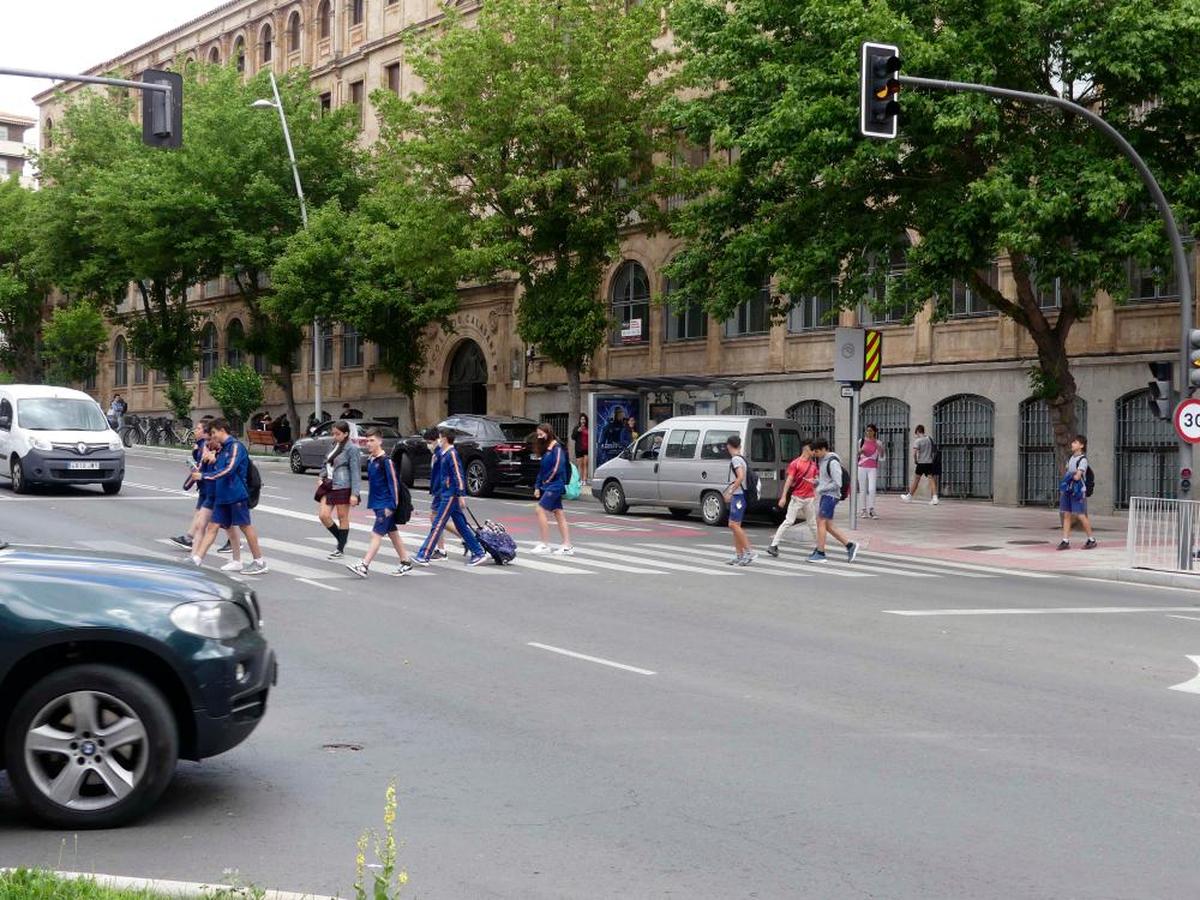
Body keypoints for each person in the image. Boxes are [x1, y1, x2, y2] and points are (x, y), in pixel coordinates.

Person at [191, 419, 269, 575]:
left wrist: (204, 476)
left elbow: (229, 469)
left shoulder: (235, 447)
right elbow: (218, 468)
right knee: (213, 527)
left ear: (221, 430)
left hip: (235, 495)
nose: (212, 436)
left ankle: (259, 561)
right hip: (222, 495)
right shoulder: (223, 449)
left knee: (245, 526)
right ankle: (197, 560)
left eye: (213, 433)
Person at [346, 427, 414, 577]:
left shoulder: (386, 461)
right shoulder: (372, 460)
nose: (368, 444)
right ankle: (406, 562)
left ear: (380, 441)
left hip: (386, 505)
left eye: (372, 441)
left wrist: (392, 506)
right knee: (393, 533)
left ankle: (364, 565)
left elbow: (394, 485)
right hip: (377, 504)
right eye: (367, 441)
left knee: (376, 535)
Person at [415, 427, 487, 566]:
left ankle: (424, 555)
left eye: (440, 437)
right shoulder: (445, 454)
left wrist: (460, 494)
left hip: (451, 495)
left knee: (437, 524)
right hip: (447, 493)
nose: (438, 440)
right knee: (461, 526)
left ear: (445, 439)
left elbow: (458, 475)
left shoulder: (451, 454)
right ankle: (478, 552)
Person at [316, 421, 362, 560]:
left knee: (342, 517)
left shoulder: (352, 449)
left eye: (338, 434)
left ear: (346, 434)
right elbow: (326, 463)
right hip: (328, 484)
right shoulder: (333, 445)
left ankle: (340, 548)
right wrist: (321, 476)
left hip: (343, 486)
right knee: (323, 515)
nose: (335, 436)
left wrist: (355, 494)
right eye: (333, 433)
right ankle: (342, 538)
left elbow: (355, 472)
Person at [809, 438, 858, 564]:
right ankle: (850, 545)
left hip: (831, 496)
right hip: (826, 495)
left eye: (817, 451)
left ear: (824, 449)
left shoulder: (832, 462)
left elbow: (838, 483)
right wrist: (816, 482)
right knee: (828, 526)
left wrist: (821, 487)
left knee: (821, 522)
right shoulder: (822, 461)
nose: (815, 454)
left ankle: (820, 553)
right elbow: (826, 480)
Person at [766, 439, 818, 557]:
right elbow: (789, 480)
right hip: (797, 498)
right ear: (806, 449)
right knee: (788, 521)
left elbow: (816, 479)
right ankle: (773, 545)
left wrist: (815, 482)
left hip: (809, 498)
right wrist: (783, 497)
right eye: (812, 450)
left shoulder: (813, 465)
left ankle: (819, 547)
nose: (814, 452)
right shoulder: (795, 464)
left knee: (812, 524)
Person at [531, 423, 574, 555]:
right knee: (558, 513)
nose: (539, 437)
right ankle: (567, 545)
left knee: (540, 509)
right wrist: (538, 486)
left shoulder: (557, 448)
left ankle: (545, 544)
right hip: (550, 484)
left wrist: (546, 482)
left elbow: (558, 467)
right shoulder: (547, 450)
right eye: (538, 434)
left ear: (548, 433)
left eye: (541, 434)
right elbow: (542, 470)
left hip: (556, 484)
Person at [1058, 434, 1098, 551]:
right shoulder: (1071, 458)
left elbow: (1077, 476)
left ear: (1081, 445)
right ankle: (1065, 541)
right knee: (1066, 514)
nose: (1072, 444)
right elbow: (1068, 472)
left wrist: (1071, 475)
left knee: (1080, 515)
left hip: (1078, 491)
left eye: (1075, 442)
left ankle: (1091, 539)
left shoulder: (1083, 460)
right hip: (1068, 490)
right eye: (1073, 442)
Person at [723, 434, 756, 566]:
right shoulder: (741, 458)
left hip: (738, 495)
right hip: (740, 495)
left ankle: (749, 552)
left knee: (733, 525)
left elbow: (740, 476)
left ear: (729, 446)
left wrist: (731, 491)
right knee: (735, 525)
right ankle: (739, 555)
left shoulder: (736, 459)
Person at [901, 424, 939, 505]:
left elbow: (914, 453)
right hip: (929, 462)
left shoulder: (918, 441)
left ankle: (909, 496)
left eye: (916, 433)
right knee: (931, 480)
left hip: (921, 463)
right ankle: (935, 498)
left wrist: (915, 460)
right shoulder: (929, 439)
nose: (916, 435)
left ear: (918, 431)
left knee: (916, 480)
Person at [857, 424, 885, 519]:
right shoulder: (861, 441)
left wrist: (880, 448)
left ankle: (871, 509)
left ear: (874, 432)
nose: (868, 432)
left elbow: (882, 457)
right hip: (861, 466)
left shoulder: (878, 442)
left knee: (872, 489)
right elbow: (856, 453)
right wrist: (859, 451)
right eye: (867, 430)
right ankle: (863, 510)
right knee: (862, 489)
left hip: (872, 467)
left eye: (870, 430)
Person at [571, 413, 590, 481]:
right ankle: (581, 479)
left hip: (587, 449)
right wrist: (577, 431)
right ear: (579, 420)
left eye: (584, 419)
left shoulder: (588, 428)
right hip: (579, 449)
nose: (583, 421)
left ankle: (584, 480)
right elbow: (572, 437)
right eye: (582, 419)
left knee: (586, 464)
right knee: (580, 465)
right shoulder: (576, 428)